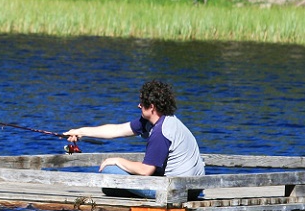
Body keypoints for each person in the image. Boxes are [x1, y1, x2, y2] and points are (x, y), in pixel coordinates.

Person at [63, 80, 204, 199]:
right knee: (110, 188)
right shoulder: (165, 121)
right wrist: (80, 132)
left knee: (110, 171)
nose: (138, 106)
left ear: (152, 107)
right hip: (193, 188)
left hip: (176, 191)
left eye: (142, 103)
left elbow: (145, 171)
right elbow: (116, 130)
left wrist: (117, 160)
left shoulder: (161, 132)